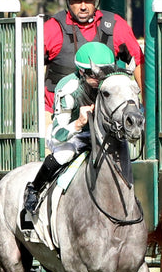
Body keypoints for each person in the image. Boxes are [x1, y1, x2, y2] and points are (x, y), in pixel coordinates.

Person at [22, 42, 116, 228]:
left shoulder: (110, 83)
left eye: (105, 73)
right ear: (82, 72)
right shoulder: (68, 89)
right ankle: (35, 189)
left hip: (99, 135)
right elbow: (58, 133)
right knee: (65, 153)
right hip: (70, 135)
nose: (101, 80)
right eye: (96, 76)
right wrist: (79, 123)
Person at [43, 0, 143, 112]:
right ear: (68, 0)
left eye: (89, 0)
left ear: (96, 0)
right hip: (59, 114)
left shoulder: (115, 25)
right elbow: (29, 68)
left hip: (106, 117)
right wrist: (29, 111)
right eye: (77, 0)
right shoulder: (52, 28)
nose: (83, 6)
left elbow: (139, 61)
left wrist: (144, 105)